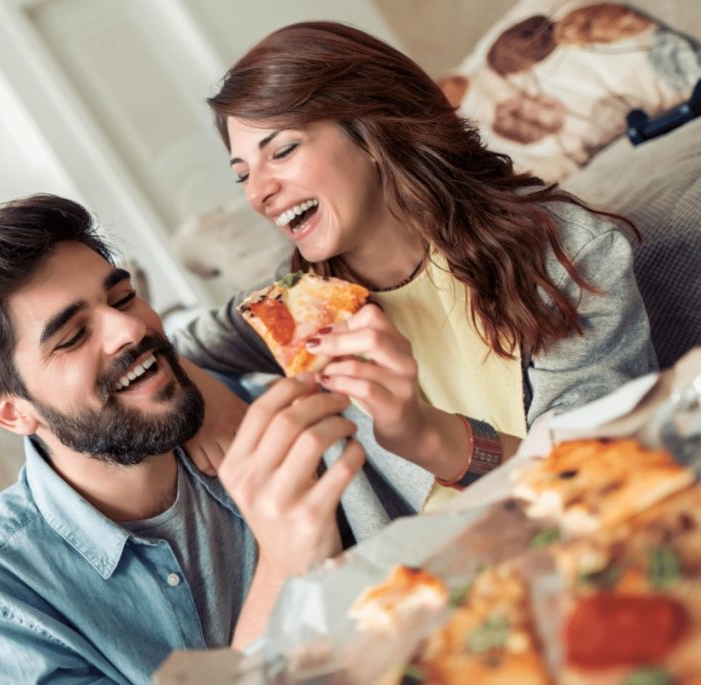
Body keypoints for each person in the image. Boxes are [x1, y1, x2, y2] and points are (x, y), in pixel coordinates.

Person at [174, 21, 656, 521]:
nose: (257, 194)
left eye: (282, 150)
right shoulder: (292, 308)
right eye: (243, 175)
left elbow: (600, 474)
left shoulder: (565, 252)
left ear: (371, 124)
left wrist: (424, 434)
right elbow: (172, 344)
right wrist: (199, 400)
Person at [0, 194, 364, 684]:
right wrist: (283, 565)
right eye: (71, 337)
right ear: (13, 412)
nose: (129, 327)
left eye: (122, 297)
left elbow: (326, 286)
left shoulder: (235, 407)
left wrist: (190, 365)